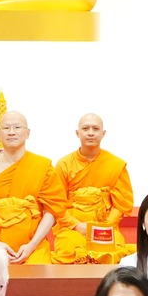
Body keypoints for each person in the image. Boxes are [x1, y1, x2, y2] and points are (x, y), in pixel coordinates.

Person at [0, 109, 67, 264]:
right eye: (6, 128)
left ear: (28, 133)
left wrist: (31, 246)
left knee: (36, 282)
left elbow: (51, 211)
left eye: (17, 127)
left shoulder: (42, 166)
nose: (11, 132)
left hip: (33, 245)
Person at [50, 112, 136, 264]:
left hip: (105, 226)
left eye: (95, 129)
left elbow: (122, 204)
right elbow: (56, 204)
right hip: (72, 228)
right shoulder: (64, 165)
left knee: (114, 253)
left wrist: (105, 226)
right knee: (70, 251)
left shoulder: (115, 165)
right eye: (85, 128)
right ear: (78, 133)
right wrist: (76, 225)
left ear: (103, 133)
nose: (90, 133)